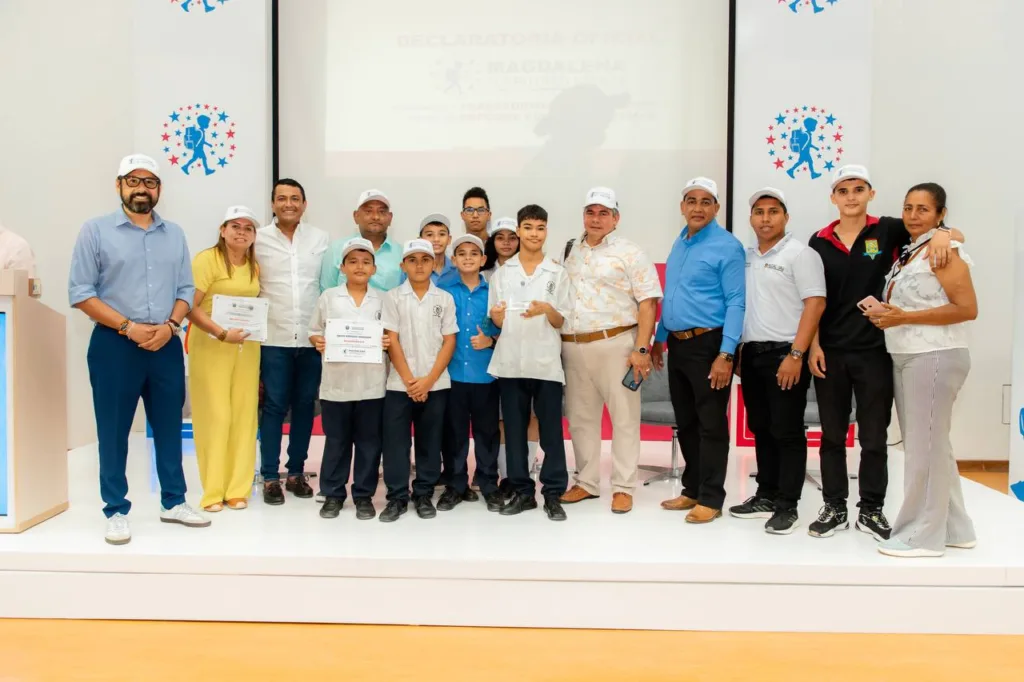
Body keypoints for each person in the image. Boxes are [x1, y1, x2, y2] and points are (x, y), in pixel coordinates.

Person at [806, 165, 962, 540]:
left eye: (858, 189)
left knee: (874, 437)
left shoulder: (888, 229)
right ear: (833, 198)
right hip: (830, 352)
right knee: (831, 435)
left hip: (876, 352)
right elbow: (813, 299)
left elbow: (946, 231)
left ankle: (871, 510)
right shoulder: (819, 240)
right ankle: (835, 507)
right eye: (843, 191)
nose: (851, 196)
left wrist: (944, 235)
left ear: (870, 194)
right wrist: (812, 345)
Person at [68, 153, 208, 545]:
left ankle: (174, 502)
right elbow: (80, 292)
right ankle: (115, 509)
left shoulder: (175, 233)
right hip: (115, 345)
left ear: (159, 189)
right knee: (112, 431)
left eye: (149, 182)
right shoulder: (94, 231)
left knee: (169, 427)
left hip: (165, 343)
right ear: (119, 186)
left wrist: (171, 326)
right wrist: (128, 327)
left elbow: (184, 290)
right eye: (133, 181)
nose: (141, 189)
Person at [868, 183, 977, 558]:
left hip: (934, 355)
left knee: (922, 450)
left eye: (924, 210)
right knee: (934, 447)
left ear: (940, 214)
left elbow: (967, 308)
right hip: (908, 354)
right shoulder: (912, 252)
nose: (914, 216)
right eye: (909, 208)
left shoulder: (945, 250)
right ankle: (954, 527)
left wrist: (905, 317)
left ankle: (922, 536)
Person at [728, 188, 826, 534]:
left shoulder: (801, 254)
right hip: (752, 354)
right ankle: (766, 494)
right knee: (761, 428)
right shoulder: (747, 255)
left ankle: (788, 505)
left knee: (786, 432)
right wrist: (740, 349)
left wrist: (797, 354)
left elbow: (815, 304)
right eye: (758, 212)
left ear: (786, 217)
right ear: (751, 217)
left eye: (773, 211)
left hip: (786, 354)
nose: (765, 218)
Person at [559, 187, 662, 514]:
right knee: (580, 419)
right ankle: (586, 483)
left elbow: (648, 302)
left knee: (625, 418)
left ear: (616, 219)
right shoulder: (571, 249)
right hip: (574, 346)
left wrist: (642, 348)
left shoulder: (630, 252)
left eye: (604, 213)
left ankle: (622, 486)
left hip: (617, 344)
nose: (596, 218)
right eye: (591, 212)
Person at [652, 177, 745, 524]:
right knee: (687, 422)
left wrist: (726, 354)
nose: (697, 207)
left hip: (710, 345)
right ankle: (691, 488)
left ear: (717, 208)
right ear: (682, 207)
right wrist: (660, 337)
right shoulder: (681, 241)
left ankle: (711, 497)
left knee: (710, 424)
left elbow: (737, 302)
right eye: (691, 200)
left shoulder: (727, 246)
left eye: (706, 202)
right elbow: (672, 294)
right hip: (677, 343)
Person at [488, 204, 570, 521]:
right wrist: (494, 318)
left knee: (550, 432)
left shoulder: (557, 273)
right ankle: (523, 492)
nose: (534, 234)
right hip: (510, 363)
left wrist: (547, 310)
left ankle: (552, 493)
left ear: (545, 231)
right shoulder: (503, 274)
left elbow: (561, 319)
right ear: (519, 231)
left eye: (540, 228)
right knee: (516, 431)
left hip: (546, 364)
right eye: (528, 228)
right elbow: (495, 319)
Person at [255, 179, 330, 505]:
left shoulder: (320, 239)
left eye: (295, 198)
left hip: (311, 338)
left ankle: (297, 473)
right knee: (272, 407)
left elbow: (325, 285)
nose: (289, 204)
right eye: (282, 198)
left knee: (304, 407)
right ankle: (270, 476)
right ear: (273, 204)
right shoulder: (257, 239)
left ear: (304, 203)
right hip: (274, 337)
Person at [185, 206, 262, 512]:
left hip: (246, 346)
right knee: (216, 415)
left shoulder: (254, 266)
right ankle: (213, 491)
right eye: (235, 226)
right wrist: (220, 332)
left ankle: (237, 489)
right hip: (212, 344)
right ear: (222, 230)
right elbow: (190, 306)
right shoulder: (207, 260)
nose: (241, 232)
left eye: (248, 228)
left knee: (244, 415)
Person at [309, 237, 390, 521]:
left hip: (372, 385)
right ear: (342, 267)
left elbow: (392, 335)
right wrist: (318, 340)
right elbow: (314, 329)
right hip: (336, 386)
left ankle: (364, 495)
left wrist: (385, 341)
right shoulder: (329, 297)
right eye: (353, 261)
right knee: (337, 442)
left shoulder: (383, 299)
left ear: (374, 268)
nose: (359, 266)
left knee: (369, 443)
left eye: (366, 261)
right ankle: (332, 494)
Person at [379, 239, 458, 522]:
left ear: (433, 263)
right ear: (403, 265)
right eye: (412, 260)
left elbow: (449, 342)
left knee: (430, 442)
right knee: (396, 444)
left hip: (435, 384)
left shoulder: (444, 299)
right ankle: (397, 498)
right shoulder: (392, 297)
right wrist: (412, 381)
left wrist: (428, 380)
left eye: (425, 259)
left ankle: (423, 493)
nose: (419, 265)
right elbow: (392, 340)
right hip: (401, 385)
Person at [438, 234, 502, 511]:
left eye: (473, 253)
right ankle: (455, 485)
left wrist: (492, 340)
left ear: (483, 260)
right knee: (454, 433)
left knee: (487, 432)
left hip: (485, 375)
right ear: (453, 260)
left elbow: (507, 328)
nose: (467, 258)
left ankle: (488, 483)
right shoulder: (445, 290)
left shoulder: (493, 293)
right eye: (461, 253)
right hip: (452, 375)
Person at [321, 190, 402, 293]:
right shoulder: (337, 249)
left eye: (382, 212)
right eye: (368, 211)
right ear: (356, 216)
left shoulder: (401, 254)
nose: (375, 217)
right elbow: (326, 292)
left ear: (390, 218)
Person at [399, 214, 457, 287]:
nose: (436, 239)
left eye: (442, 234)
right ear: (420, 240)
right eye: (429, 235)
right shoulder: (410, 269)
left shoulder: (456, 268)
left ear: (449, 239)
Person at [482, 216, 519, 281]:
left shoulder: (527, 271)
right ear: (492, 241)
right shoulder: (484, 275)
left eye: (512, 238)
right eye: (500, 238)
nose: (506, 242)